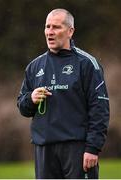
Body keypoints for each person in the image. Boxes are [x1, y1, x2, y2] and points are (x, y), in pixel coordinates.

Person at [17, 8, 109, 179]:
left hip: (77, 149)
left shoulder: (87, 64)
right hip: (44, 150)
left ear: (70, 31)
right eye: (47, 26)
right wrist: (31, 99)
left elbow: (100, 109)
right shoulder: (34, 66)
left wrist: (92, 148)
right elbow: (22, 107)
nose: (50, 32)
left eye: (56, 27)